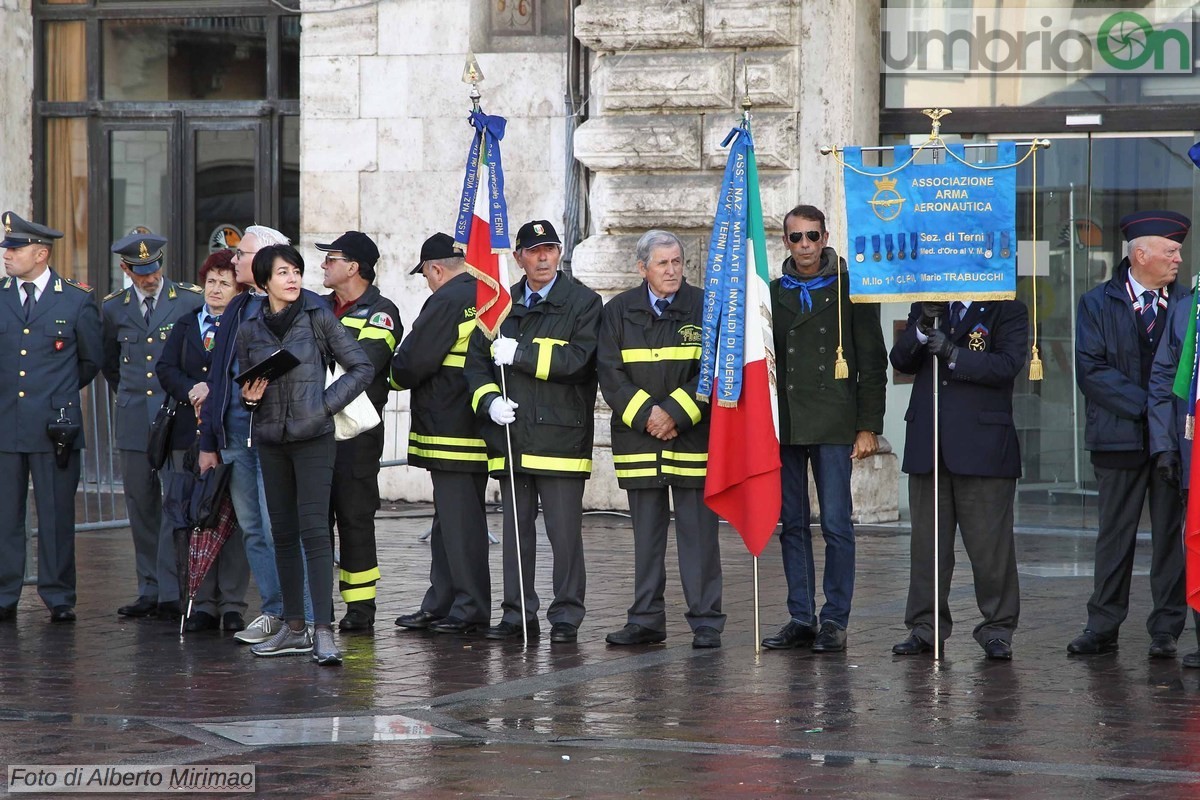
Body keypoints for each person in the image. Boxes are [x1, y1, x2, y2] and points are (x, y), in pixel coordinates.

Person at [464, 219, 601, 644]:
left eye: (551, 249)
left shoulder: (583, 301)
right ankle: (516, 613)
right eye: (535, 250)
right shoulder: (498, 304)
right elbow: (476, 365)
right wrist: (489, 402)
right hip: (513, 437)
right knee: (515, 536)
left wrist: (520, 354)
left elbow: (578, 361)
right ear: (519, 257)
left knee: (565, 537)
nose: (544, 257)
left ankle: (566, 615)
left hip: (560, 438)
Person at [238, 244, 372, 665]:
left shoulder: (318, 316)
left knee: (315, 533)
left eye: (296, 271)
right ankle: (293, 628)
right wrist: (251, 398)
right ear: (263, 283)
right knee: (282, 535)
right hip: (271, 441)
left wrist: (324, 405)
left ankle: (323, 632)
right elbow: (244, 389)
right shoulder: (249, 328)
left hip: (314, 438)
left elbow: (361, 366)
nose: (293, 279)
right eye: (282, 273)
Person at [762, 205, 887, 654]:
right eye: (796, 238)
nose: (806, 246)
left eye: (813, 236)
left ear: (826, 236)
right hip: (788, 425)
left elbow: (873, 363)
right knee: (791, 524)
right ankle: (801, 615)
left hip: (835, 422)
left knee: (836, 523)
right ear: (785, 242)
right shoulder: (772, 294)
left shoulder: (850, 290)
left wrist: (869, 425)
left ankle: (834, 619)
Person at [597, 230, 725, 649]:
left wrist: (675, 414)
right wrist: (648, 416)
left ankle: (706, 620)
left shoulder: (708, 307)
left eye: (677, 262)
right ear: (642, 269)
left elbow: (715, 370)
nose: (672, 271)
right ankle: (646, 619)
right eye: (663, 264)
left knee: (699, 537)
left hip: (691, 439)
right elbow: (610, 375)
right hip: (641, 441)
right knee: (646, 538)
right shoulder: (616, 311)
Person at [1069, 210, 1189, 658]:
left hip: (1172, 445)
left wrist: (1165, 423)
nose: (1179, 258)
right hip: (1117, 437)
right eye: (1171, 250)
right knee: (1114, 535)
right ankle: (1102, 625)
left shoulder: (1187, 304)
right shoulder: (1096, 303)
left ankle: (1166, 629)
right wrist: (1150, 407)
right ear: (1141, 254)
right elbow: (1092, 370)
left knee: (1169, 537)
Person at [890, 297, 1028, 660]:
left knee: (990, 549)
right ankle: (925, 627)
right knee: (927, 548)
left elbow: (1008, 364)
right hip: (929, 443)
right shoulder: (926, 305)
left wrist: (953, 353)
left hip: (983, 446)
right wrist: (920, 328)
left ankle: (997, 629)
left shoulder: (1006, 306)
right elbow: (900, 361)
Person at [0, 211, 101, 623]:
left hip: (55, 425)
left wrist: (57, 396)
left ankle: (59, 595)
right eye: (7, 249)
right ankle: (5, 592)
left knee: (57, 515)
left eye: (16, 249)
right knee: (6, 516)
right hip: (7, 423)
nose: (7, 256)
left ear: (41, 254)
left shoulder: (76, 299)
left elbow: (91, 359)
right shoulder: (1, 295)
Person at [392, 232, 491, 635]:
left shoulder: (447, 299)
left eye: (427, 275)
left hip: (450, 427)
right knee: (449, 521)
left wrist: (391, 372)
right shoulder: (485, 292)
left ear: (435, 269)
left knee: (460, 522)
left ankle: (468, 609)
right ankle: (442, 602)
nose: (429, 282)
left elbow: (414, 361)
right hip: (471, 426)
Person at [103, 231, 204, 621]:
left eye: (154, 268)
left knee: (174, 502)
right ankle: (147, 587)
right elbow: (109, 361)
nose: (150, 277)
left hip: (173, 416)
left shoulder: (189, 300)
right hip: (132, 418)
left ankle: (171, 589)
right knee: (140, 504)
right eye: (140, 271)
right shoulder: (113, 308)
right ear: (125, 269)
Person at [197, 225, 289, 645]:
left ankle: (299, 616)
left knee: (277, 527)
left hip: (272, 434)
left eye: (242, 255)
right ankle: (272, 610)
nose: (233, 262)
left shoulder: (292, 303)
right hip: (234, 434)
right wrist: (208, 443)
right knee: (252, 527)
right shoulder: (237, 307)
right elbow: (218, 375)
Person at [156, 249, 249, 632]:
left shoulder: (245, 323)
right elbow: (165, 367)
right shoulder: (186, 323)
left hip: (227, 434)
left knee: (232, 519)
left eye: (225, 282)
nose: (215, 288)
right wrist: (190, 389)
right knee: (196, 519)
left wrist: (214, 390)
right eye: (211, 281)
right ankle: (201, 601)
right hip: (187, 435)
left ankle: (232, 603)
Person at [318, 230, 401, 632]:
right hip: (313, 434)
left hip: (355, 435)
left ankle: (360, 608)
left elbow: (363, 367)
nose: (323, 266)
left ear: (353, 267)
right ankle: (317, 606)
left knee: (354, 519)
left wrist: (314, 398)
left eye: (330, 259)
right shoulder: (315, 307)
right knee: (317, 521)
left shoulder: (381, 311)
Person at [1147, 272, 1200, 667]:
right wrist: (1165, 446)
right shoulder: (1186, 310)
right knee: (1195, 541)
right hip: (1192, 447)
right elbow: (1164, 381)